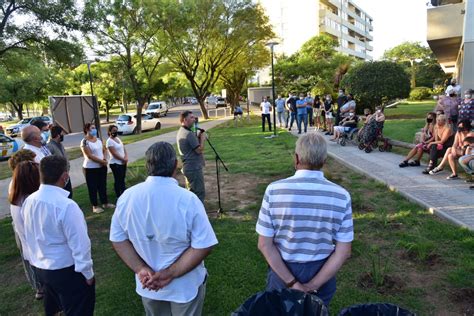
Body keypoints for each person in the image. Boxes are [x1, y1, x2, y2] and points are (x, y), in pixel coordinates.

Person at [110, 142, 218, 316]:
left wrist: (141, 269)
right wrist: (168, 273)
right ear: (176, 165)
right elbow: (204, 244)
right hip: (183, 286)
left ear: (147, 166)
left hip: (148, 284)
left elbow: (118, 238)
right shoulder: (188, 200)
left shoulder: (127, 197)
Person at [256, 133, 353, 306]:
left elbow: (264, 244)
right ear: (324, 160)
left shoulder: (274, 190)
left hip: (281, 270)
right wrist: (313, 285)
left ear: (296, 158)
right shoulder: (341, 195)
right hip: (322, 271)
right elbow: (343, 251)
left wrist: (291, 283)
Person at [21, 156, 96, 316]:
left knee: (55, 310)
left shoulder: (29, 201)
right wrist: (87, 273)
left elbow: (29, 235)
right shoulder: (67, 206)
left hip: (42, 268)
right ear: (65, 176)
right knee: (78, 310)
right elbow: (80, 244)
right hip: (66, 270)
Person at [8, 159, 42, 300]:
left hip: (30, 249)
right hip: (39, 251)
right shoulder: (30, 201)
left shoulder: (17, 197)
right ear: (32, 179)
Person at [80, 123, 114, 214]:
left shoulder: (98, 140)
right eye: (92, 128)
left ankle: (105, 203)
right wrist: (101, 162)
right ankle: (95, 206)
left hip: (102, 167)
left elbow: (104, 150)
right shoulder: (84, 142)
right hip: (90, 168)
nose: (94, 129)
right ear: (87, 130)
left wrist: (104, 159)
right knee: (92, 187)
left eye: (95, 128)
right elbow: (89, 156)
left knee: (102, 185)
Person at [177, 111, 206, 202]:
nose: (194, 120)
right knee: (199, 193)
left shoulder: (182, 131)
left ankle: (190, 214)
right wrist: (202, 139)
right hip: (193, 168)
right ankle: (198, 214)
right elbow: (199, 150)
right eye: (192, 118)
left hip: (188, 167)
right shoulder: (188, 134)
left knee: (191, 192)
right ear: (185, 120)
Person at [47, 125, 73, 198]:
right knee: (62, 196)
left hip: (66, 175)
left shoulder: (60, 144)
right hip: (58, 177)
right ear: (58, 135)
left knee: (69, 194)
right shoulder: (50, 146)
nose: (63, 135)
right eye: (62, 133)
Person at [106, 125, 128, 198]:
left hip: (123, 162)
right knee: (118, 179)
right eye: (114, 131)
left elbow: (123, 148)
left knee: (122, 178)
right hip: (115, 163)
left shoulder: (118, 139)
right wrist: (123, 159)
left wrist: (126, 157)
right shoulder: (109, 141)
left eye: (116, 130)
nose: (115, 132)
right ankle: (119, 195)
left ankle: (123, 193)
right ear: (109, 132)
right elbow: (114, 153)